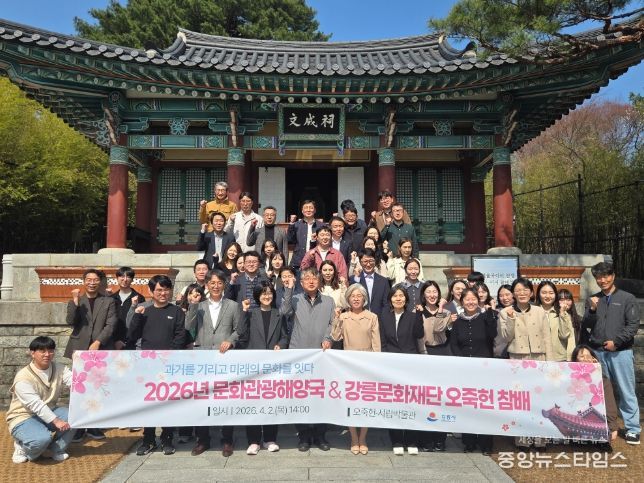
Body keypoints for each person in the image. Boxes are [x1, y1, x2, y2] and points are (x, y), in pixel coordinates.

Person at [582, 262, 640, 445]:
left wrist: (617, 342)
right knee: (600, 392)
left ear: (613, 276)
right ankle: (604, 424)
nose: (603, 280)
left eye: (606, 276)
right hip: (598, 353)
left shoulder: (627, 298)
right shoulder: (593, 299)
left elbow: (633, 325)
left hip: (620, 353)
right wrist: (592, 309)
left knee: (626, 391)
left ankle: (632, 429)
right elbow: (586, 325)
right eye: (599, 277)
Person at [127, 275, 186, 456]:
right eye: (159, 290)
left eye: (166, 290)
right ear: (151, 291)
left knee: (168, 403)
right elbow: (132, 336)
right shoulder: (144, 310)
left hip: (169, 365)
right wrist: (137, 316)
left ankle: (167, 438)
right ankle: (148, 439)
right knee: (149, 403)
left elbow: (180, 336)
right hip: (148, 365)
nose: (163, 293)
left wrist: (168, 357)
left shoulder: (177, 311)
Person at [186, 269, 241, 456]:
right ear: (207, 285)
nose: (216, 286)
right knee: (202, 400)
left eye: (219, 283)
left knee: (225, 400)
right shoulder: (199, 306)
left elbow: (239, 329)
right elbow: (188, 326)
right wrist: (193, 306)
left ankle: (227, 439)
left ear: (224, 284)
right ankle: (203, 440)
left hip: (224, 358)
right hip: (203, 358)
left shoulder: (233, 306)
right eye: (212, 283)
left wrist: (230, 340)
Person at [280, 267, 334, 451]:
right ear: (301, 283)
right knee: (300, 396)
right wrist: (289, 289)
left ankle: (320, 435)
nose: (311, 281)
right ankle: (303, 435)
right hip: (299, 356)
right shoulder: (294, 299)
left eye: (314, 278)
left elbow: (332, 323)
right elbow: (284, 311)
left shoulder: (328, 301)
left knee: (321, 396)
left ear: (319, 281)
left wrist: (328, 338)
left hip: (321, 356)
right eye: (307, 279)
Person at [64, 268, 117, 442]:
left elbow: (111, 324)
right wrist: (75, 302)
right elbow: (71, 321)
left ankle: (94, 425)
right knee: (79, 388)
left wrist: (98, 342)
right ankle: (79, 426)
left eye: (95, 280)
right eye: (89, 279)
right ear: (84, 281)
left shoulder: (108, 301)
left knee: (97, 387)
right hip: (79, 348)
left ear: (100, 282)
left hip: (100, 349)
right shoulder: (77, 300)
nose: (92, 283)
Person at [499, 277, 553, 448]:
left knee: (540, 399)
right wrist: (511, 319)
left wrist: (550, 363)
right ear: (513, 294)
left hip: (539, 358)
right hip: (517, 360)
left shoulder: (539, 311)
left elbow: (547, 338)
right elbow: (505, 337)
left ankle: (540, 438)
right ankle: (521, 438)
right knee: (520, 400)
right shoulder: (505, 312)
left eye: (525, 290)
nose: (522, 293)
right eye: (518, 290)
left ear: (531, 293)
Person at [238, 282, 288, 455]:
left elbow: (285, 336)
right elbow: (241, 333)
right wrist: (244, 312)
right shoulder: (251, 313)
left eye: (269, 293)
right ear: (257, 296)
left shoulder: (279, 314)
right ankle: (253, 441)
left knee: (271, 402)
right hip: (253, 366)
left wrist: (281, 345)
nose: (266, 296)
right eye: (263, 293)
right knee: (252, 403)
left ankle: (270, 439)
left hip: (273, 366)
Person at [331, 283, 380, 455]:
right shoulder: (344, 317)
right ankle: (353, 437)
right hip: (348, 364)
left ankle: (363, 438)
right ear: (348, 299)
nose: (356, 298)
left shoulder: (372, 317)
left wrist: (376, 366)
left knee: (365, 403)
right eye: (353, 296)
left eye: (359, 296)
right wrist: (337, 319)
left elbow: (376, 344)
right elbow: (335, 336)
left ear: (364, 298)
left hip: (367, 363)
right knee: (350, 402)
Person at [7, 336, 73, 464]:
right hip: (23, 416)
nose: (47, 354)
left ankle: (54, 449)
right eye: (42, 351)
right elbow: (35, 405)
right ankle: (23, 447)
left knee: (74, 417)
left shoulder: (60, 368)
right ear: (32, 353)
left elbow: (75, 382)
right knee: (41, 439)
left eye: (50, 350)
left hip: (49, 410)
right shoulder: (23, 377)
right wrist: (56, 421)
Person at [449, 288, 496, 455]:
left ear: (479, 300)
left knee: (484, 407)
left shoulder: (485, 317)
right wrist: (463, 361)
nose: (470, 302)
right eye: (467, 299)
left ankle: (486, 443)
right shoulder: (458, 322)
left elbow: (493, 335)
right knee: (467, 406)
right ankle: (469, 442)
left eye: (473, 299)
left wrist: (490, 314)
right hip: (465, 370)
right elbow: (454, 344)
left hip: (484, 370)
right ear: (462, 302)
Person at [379, 285, 424, 455]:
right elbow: (383, 341)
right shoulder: (384, 316)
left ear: (406, 299)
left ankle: (411, 440)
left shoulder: (413, 316)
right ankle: (396, 440)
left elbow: (419, 335)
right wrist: (386, 360)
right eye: (395, 296)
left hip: (410, 365)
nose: (398, 298)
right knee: (394, 403)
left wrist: (419, 315)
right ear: (390, 299)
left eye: (401, 296)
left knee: (411, 403)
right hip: (391, 364)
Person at [416, 281, 451, 452]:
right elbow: (418, 335)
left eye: (435, 292)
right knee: (425, 399)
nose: (432, 295)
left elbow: (439, 329)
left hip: (442, 353)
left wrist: (441, 308)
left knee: (440, 399)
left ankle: (440, 439)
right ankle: (425, 438)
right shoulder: (418, 311)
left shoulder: (446, 312)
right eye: (428, 292)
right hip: (424, 354)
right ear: (423, 294)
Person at [571, 344, 619, 448]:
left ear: (593, 359)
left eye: (588, 356)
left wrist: (613, 427)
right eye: (582, 356)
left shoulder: (603, 381)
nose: (586, 359)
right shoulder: (568, 378)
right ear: (575, 360)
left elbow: (610, 405)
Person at [536, 281, 575, 362]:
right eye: (544, 293)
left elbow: (564, 335)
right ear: (538, 294)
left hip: (558, 358)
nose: (547, 296)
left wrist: (562, 314)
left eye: (551, 293)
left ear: (555, 295)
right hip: (538, 357)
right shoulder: (533, 312)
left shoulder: (563, 314)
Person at [111, 266, 145, 351]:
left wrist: (127, 340)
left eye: (128, 276)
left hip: (132, 342)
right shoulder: (111, 298)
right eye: (122, 276)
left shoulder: (139, 298)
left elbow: (139, 323)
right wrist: (115, 340)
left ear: (132, 279)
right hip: (112, 341)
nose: (125, 279)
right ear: (117, 278)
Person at [352, 249, 390, 321]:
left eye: (371, 261)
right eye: (365, 261)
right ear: (360, 262)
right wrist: (357, 278)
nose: (368, 264)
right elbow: (352, 299)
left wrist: (382, 320)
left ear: (375, 261)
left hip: (378, 321)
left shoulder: (383, 281)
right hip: (358, 321)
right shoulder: (355, 279)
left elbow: (386, 304)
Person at [287, 199, 322, 271]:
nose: (308, 210)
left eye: (311, 208)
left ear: (315, 210)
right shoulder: (296, 225)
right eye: (306, 208)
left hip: (316, 262)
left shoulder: (321, 226)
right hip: (298, 262)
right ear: (302, 211)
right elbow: (290, 240)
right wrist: (291, 224)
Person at [493, 284, 514, 358]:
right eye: (501, 296)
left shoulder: (520, 310)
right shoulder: (496, 311)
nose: (504, 298)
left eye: (507, 294)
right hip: (499, 352)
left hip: (516, 353)